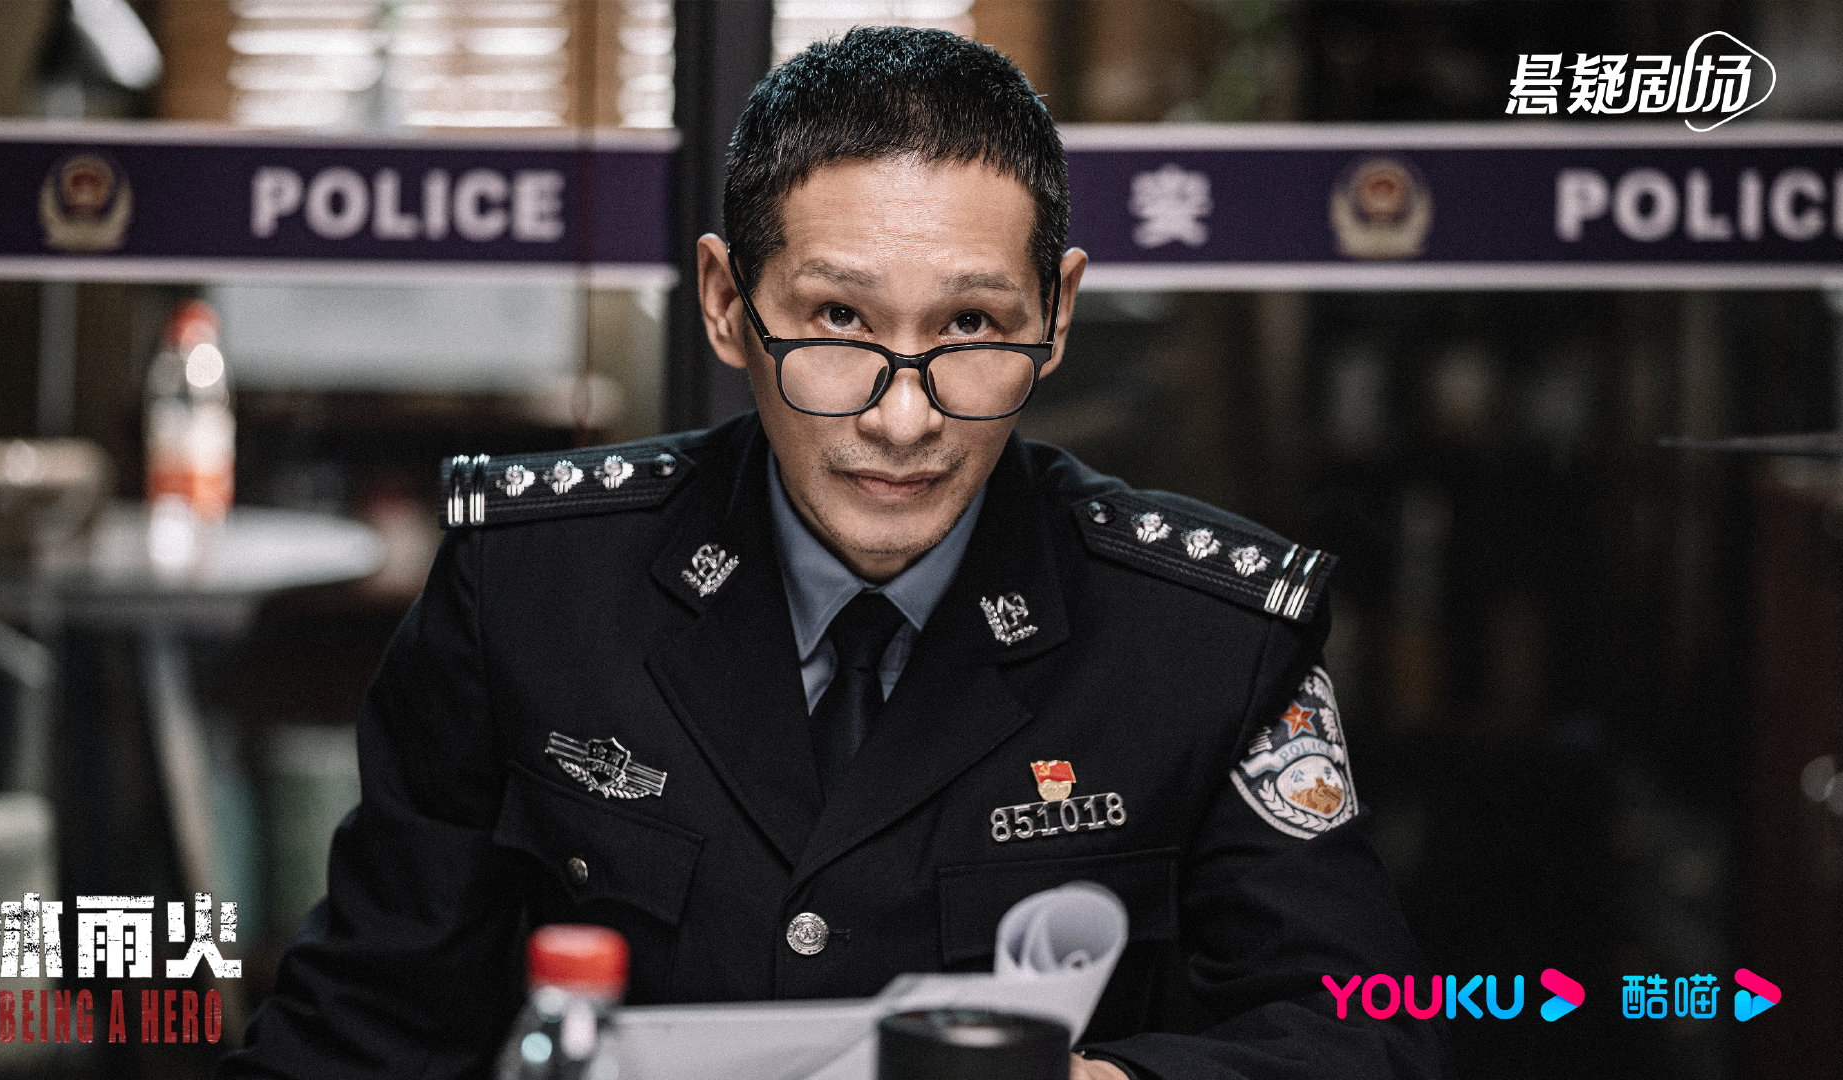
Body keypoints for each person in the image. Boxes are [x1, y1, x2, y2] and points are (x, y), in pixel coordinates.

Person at [220, 27, 1450, 1080]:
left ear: (1057, 315)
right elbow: (360, 1030)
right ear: (725, 303)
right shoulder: (532, 590)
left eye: (971, 326)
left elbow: (1365, 1035)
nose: (902, 418)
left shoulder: (1206, 636)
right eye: (838, 320)